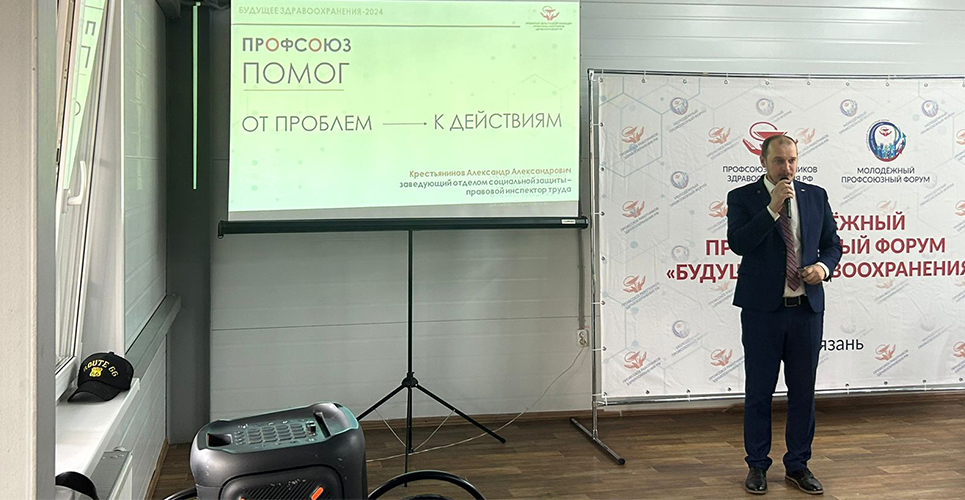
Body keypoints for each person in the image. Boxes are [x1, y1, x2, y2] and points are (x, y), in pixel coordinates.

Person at [726, 134, 841, 495]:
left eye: (792, 160)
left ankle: (798, 465)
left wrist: (823, 267)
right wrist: (772, 208)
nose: (787, 168)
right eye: (779, 161)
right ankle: (757, 465)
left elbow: (832, 244)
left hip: (806, 310)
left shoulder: (815, 195)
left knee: (803, 392)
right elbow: (739, 243)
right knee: (759, 391)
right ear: (763, 161)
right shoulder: (743, 197)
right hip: (762, 312)